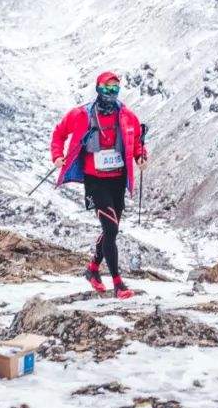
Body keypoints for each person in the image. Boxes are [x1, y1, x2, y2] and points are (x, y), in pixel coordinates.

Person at [50, 71, 147, 299]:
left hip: (117, 180)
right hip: (95, 181)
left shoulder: (127, 116)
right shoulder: (81, 114)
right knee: (112, 229)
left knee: (109, 230)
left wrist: (141, 156)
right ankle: (118, 284)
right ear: (98, 88)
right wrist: (57, 156)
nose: (111, 93)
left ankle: (93, 269)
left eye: (115, 89)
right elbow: (59, 133)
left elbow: (136, 143)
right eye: (106, 88)